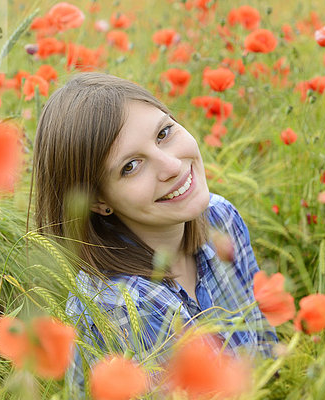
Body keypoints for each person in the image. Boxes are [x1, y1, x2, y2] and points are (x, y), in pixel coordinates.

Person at [32, 72, 278, 396]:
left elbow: (265, 351)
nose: (172, 166)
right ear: (98, 202)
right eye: (131, 166)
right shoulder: (122, 307)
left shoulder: (220, 218)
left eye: (164, 132)